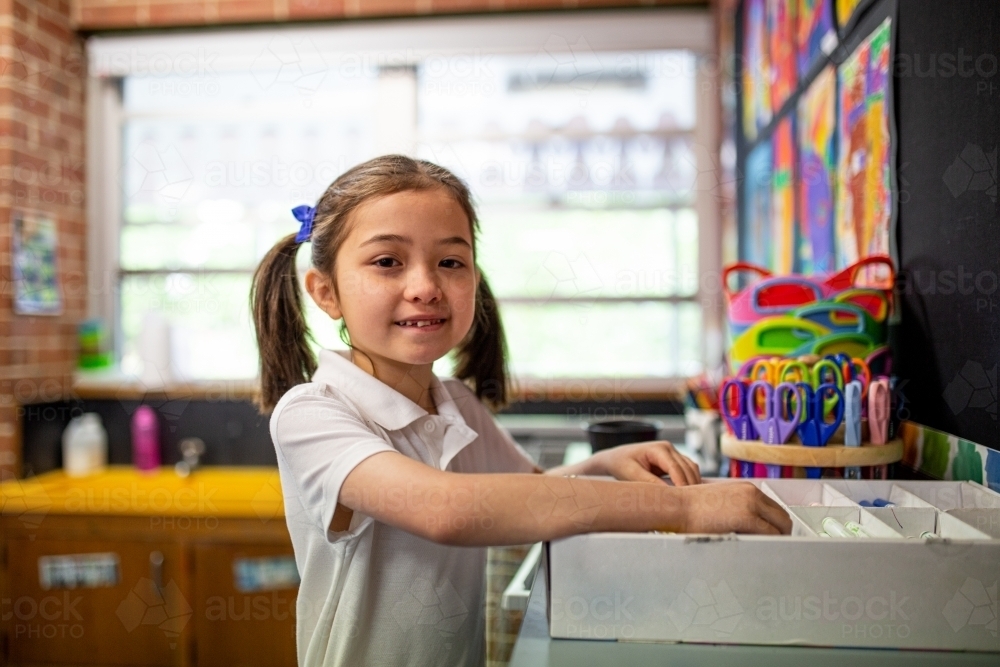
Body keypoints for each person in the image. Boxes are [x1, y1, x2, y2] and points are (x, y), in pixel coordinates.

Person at [251, 155, 790, 667]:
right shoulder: (313, 413)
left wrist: (602, 464)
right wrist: (682, 510)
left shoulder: (454, 402)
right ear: (326, 292)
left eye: (450, 262)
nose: (425, 287)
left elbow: (525, 490)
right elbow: (446, 510)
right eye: (387, 262)